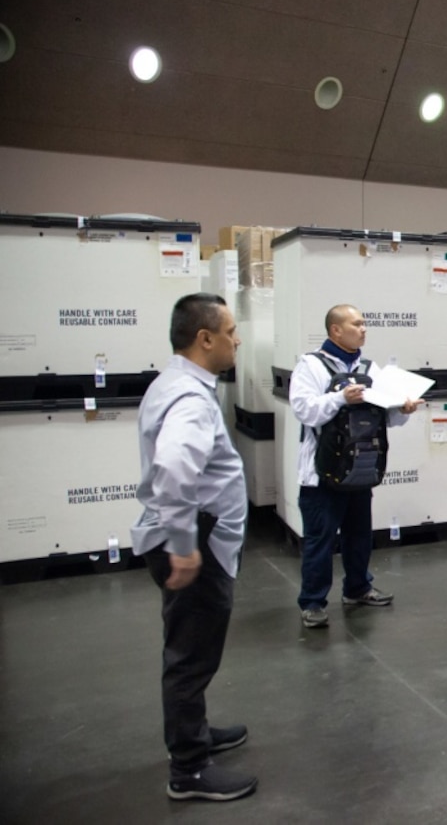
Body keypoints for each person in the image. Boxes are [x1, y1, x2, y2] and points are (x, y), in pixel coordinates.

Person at [132, 293, 257, 801]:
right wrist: (184, 544)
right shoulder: (188, 398)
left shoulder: (176, 383)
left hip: (191, 537)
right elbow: (175, 470)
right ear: (204, 338)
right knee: (190, 658)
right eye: (230, 331)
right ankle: (189, 770)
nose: (237, 340)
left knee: (190, 648)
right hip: (191, 544)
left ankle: (196, 734)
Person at [290, 304, 423, 628]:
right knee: (320, 539)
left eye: (364, 324)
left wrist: (402, 409)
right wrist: (339, 399)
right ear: (336, 330)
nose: (364, 329)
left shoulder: (369, 368)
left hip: (361, 467)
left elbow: (384, 415)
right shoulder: (311, 366)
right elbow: (304, 410)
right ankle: (312, 602)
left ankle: (358, 587)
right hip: (322, 473)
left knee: (359, 535)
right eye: (357, 324)